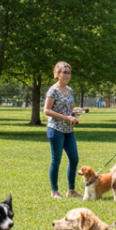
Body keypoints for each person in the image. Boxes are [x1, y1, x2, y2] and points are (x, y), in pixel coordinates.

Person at [43, 61, 81, 199]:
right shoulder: (53, 90)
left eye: (69, 73)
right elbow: (46, 111)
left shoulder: (70, 90)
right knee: (56, 160)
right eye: (64, 72)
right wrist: (66, 117)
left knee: (74, 159)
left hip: (68, 130)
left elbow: (68, 111)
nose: (67, 75)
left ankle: (71, 191)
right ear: (57, 74)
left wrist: (74, 114)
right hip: (55, 129)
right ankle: (54, 191)